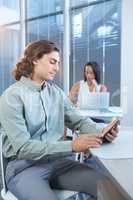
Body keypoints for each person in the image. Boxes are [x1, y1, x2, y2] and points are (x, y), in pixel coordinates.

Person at [0, 40, 118, 200]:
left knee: (110, 189)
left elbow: (79, 121)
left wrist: (102, 131)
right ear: (35, 59)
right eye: (52, 62)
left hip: (59, 163)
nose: (57, 68)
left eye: (58, 63)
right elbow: (23, 148)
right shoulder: (11, 97)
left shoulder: (56, 92)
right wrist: (73, 145)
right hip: (24, 167)